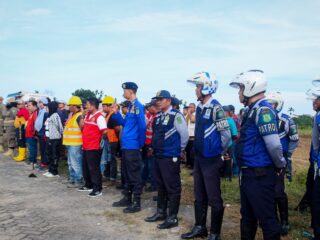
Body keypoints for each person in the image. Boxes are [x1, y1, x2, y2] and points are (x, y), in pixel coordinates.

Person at [229, 70, 286, 239]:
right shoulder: (252, 110)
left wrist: (280, 164)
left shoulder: (263, 110)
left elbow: (274, 144)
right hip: (249, 174)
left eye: (240, 89)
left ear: (250, 88)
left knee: (267, 220)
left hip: (259, 174)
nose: (239, 93)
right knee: (247, 218)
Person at [181, 72, 230, 240]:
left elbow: (226, 135)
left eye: (198, 86)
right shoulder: (200, 107)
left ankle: (215, 233)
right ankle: (199, 227)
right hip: (199, 159)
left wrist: (218, 153)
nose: (196, 90)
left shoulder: (216, 108)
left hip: (211, 159)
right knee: (199, 195)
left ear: (206, 87)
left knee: (214, 197)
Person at [145, 90, 189, 229]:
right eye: (157, 99)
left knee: (172, 187)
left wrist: (178, 150)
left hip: (170, 157)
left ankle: (172, 217)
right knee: (161, 185)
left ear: (169, 101)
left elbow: (184, 135)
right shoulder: (158, 116)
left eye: (161, 99)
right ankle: (161, 212)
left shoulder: (176, 116)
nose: (158, 101)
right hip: (158, 156)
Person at [266, 91, 300, 236]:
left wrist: (287, 155)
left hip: (280, 161)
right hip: (266, 161)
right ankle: (273, 219)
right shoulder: (265, 118)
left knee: (278, 191)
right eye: (268, 104)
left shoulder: (286, 120)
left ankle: (284, 221)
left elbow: (295, 138)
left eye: (272, 104)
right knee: (268, 191)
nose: (269, 107)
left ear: (278, 105)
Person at [112, 82, 146, 213]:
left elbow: (142, 126)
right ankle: (127, 197)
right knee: (126, 173)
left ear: (131, 91)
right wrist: (116, 114)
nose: (123, 93)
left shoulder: (138, 106)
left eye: (124, 90)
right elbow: (126, 123)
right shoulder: (131, 106)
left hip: (133, 145)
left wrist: (140, 144)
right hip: (126, 145)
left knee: (134, 174)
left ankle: (136, 202)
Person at [77, 98, 107, 198]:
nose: (86, 106)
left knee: (94, 168)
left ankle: (97, 188)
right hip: (86, 146)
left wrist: (99, 141)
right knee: (85, 167)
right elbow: (81, 127)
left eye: (88, 104)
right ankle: (88, 185)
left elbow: (104, 131)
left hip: (94, 147)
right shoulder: (88, 115)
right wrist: (82, 116)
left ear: (93, 105)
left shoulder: (99, 117)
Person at [306, 83, 320, 240]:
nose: (313, 102)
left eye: (316, 99)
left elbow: (316, 144)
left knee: (316, 201)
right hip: (317, 163)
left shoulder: (318, 117)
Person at [63, 96, 84, 188]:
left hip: (75, 144)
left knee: (75, 163)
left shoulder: (79, 116)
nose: (68, 107)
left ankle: (78, 180)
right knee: (71, 163)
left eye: (70, 105)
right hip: (70, 143)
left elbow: (83, 128)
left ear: (75, 106)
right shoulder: (73, 115)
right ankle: (72, 178)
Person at [101, 96, 120, 181]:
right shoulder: (108, 115)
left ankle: (113, 176)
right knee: (108, 158)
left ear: (109, 106)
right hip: (108, 140)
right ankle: (108, 174)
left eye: (104, 106)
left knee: (112, 159)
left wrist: (116, 137)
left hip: (112, 140)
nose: (102, 107)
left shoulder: (113, 116)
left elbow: (117, 129)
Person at [141, 100, 158, 192]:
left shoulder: (157, 117)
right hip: (147, 143)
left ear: (154, 107)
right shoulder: (150, 115)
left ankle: (154, 185)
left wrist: (152, 146)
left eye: (149, 107)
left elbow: (155, 133)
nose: (148, 109)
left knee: (151, 165)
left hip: (152, 144)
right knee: (146, 164)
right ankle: (143, 181)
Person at [43, 101, 63, 177]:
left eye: (47, 107)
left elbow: (60, 127)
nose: (46, 109)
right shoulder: (49, 115)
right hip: (49, 137)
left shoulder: (55, 115)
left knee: (54, 155)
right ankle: (50, 170)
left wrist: (59, 134)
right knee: (50, 154)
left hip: (55, 138)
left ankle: (54, 172)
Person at [222, 105, 238, 181]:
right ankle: (223, 174)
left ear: (226, 112)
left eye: (223, 112)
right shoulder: (222, 121)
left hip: (229, 144)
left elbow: (235, 134)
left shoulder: (231, 121)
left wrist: (229, 140)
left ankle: (228, 176)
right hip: (222, 144)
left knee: (229, 160)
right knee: (223, 159)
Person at [35, 98, 49, 169]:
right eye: (39, 103)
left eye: (42, 103)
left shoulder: (46, 111)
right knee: (41, 148)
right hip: (40, 132)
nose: (40, 104)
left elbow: (45, 123)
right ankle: (43, 162)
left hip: (44, 133)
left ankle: (45, 163)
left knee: (44, 149)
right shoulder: (40, 111)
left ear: (45, 103)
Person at [25, 100, 38, 165]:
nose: (28, 107)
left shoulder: (35, 113)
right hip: (28, 134)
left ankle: (33, 161)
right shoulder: (32, 113)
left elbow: (35, 124)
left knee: (32, 148)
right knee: (30, 148)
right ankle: (31, 159)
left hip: (31, 135)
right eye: (27, 106)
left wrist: (34, 133)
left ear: (35, 106)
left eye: (29, 105)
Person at [185, 103, 196, 169]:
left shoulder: (196, 114)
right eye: (189, 107)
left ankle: (193, 166)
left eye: (191, 107)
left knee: (193, 153)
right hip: (188, 137)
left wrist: (189, 113)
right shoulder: (187, 115)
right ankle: (189, 164)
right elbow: (185, 123)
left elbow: (193, 120)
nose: (189, 108)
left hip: (194, 137)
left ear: (194, 108)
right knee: (188, 151)